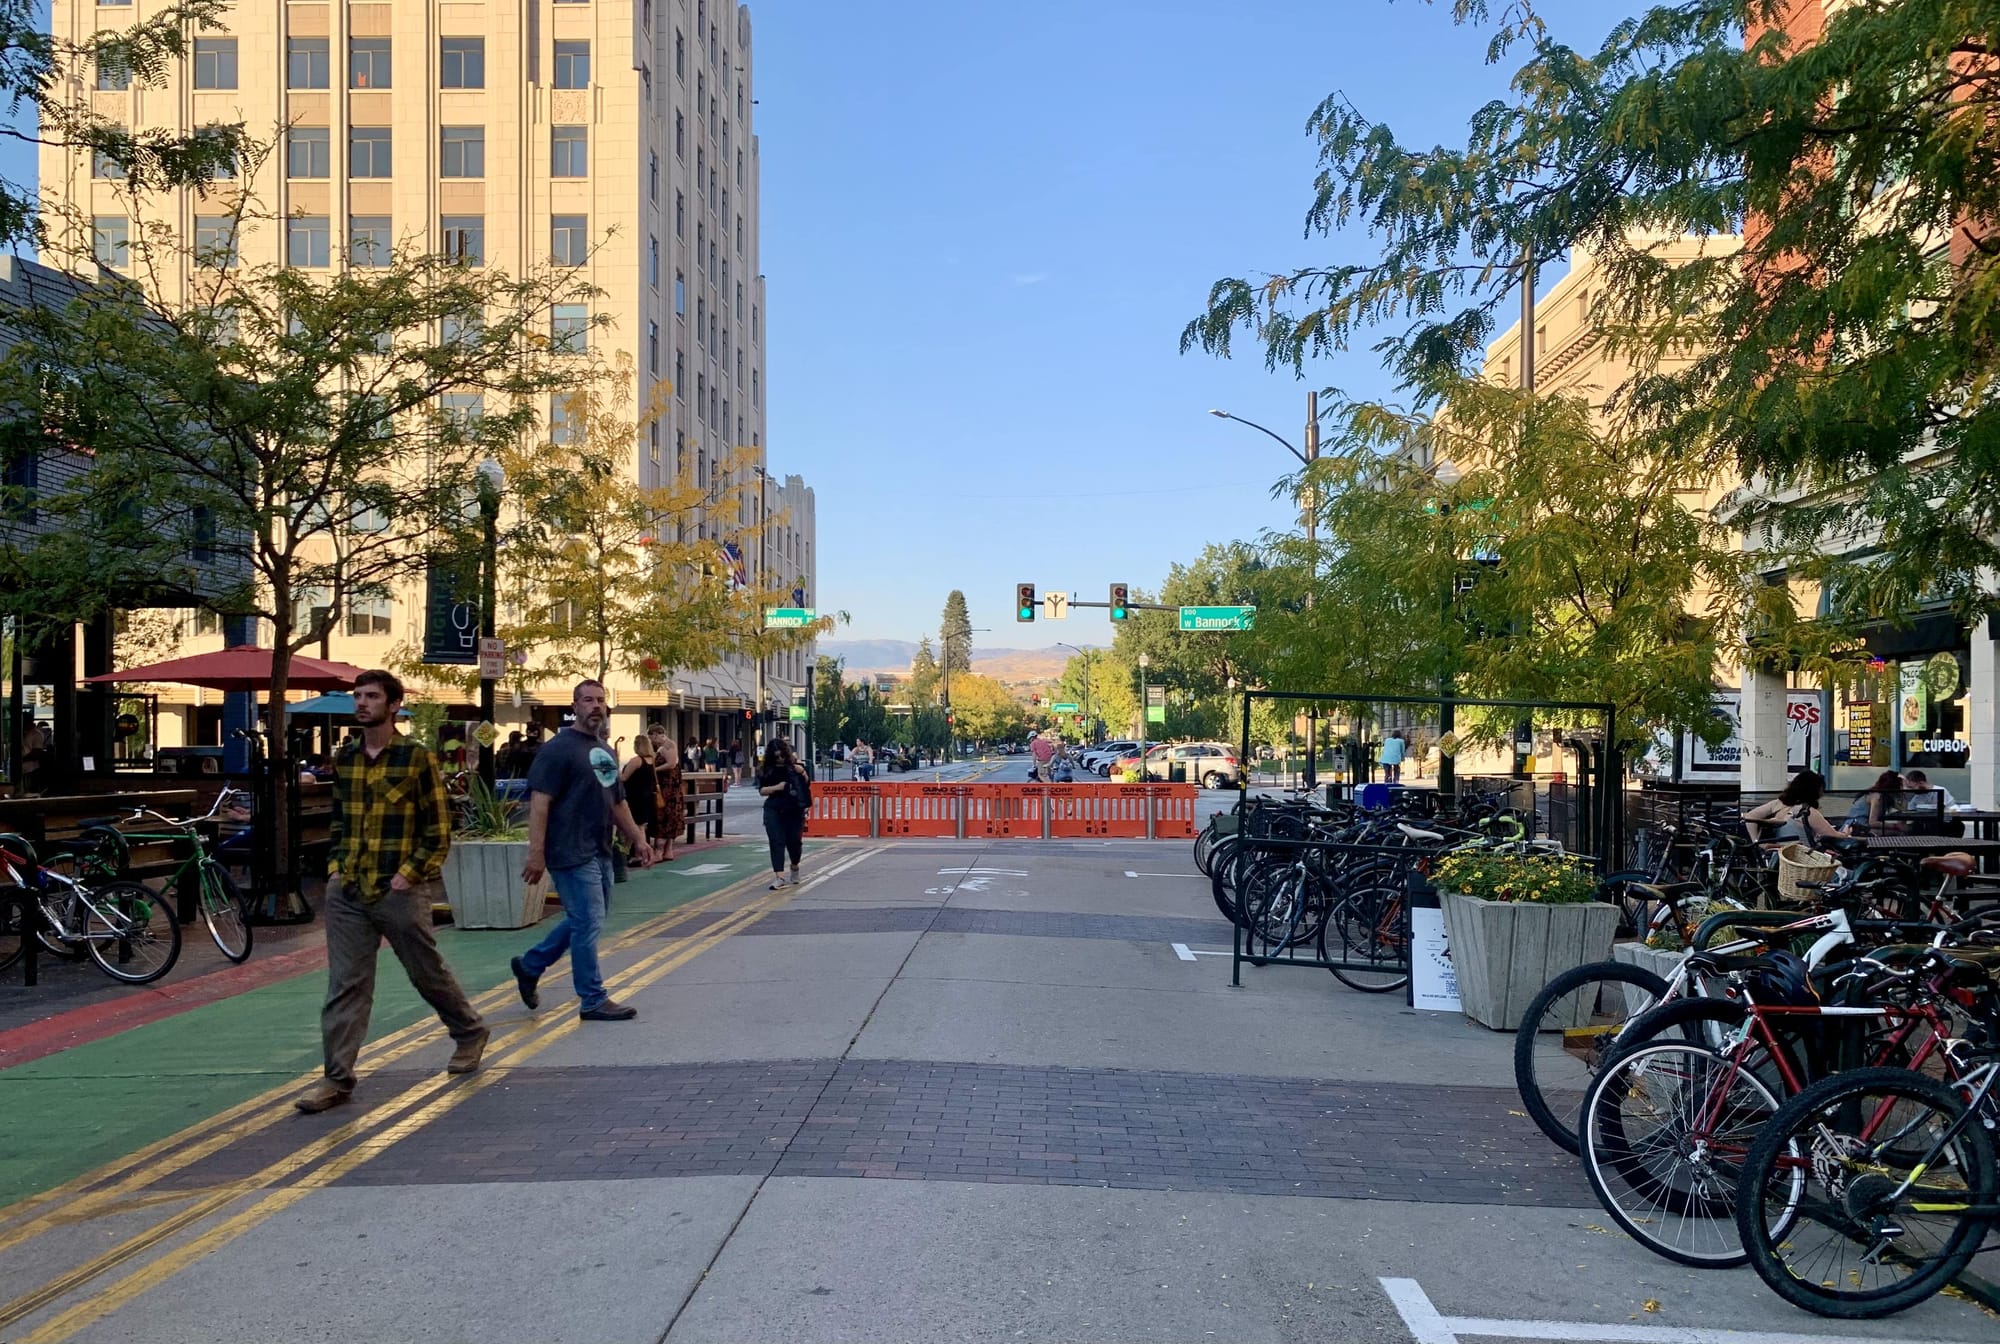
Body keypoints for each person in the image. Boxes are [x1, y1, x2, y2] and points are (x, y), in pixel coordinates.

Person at [296, 670, 487, 1114]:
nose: (361, 703)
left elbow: (439, 831)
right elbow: (340, 819)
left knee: (426, 972)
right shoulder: (347, 758)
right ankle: (336, 1078)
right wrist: (335, 869)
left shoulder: (417, 759)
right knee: (346, 984)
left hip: (399, 888)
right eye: (358, 696)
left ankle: (469, 1031)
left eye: (371, 697)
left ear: (394, 704)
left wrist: (410, 873)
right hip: (350, 889)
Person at [511, 681, 655, 1023]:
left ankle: (530, 965)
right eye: (587, 700)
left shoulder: (603, 750)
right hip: (569, 850)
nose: (595, 706)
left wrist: (638, 839)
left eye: (600, 701)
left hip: (600, 848)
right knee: (588, 921)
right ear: (574, 706)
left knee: (584, 919)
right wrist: (536, 852)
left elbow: (617, 801)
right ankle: (592, 998)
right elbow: (540, 803)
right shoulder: (557, 750)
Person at [756, 737, 811, 889]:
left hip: (794, 809)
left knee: (794, 842)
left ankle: (794, 866)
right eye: (776, 756)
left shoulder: (794, 768)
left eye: (781, 755)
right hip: (773, 808)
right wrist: (777, 787)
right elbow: (762, 790)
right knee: (776, 841)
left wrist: (803, 772)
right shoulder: (766, 769)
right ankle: (779, 876)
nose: (779, 759)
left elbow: (805, 785)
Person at [1742, 768, 1846, 848]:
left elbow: (1750, 816)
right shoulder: (1808, 812)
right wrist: (1846, 833)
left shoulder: (1777, 804)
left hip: (1778, 854)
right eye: (1821, 790)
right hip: (1803, 858)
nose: (1822, 795)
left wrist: (1757, 843)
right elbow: (1832, 835)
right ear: (1813, 791)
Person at [620, 732, 663, 862]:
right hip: (646, 797)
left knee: (631, 826)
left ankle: (633, 854)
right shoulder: (651, 760)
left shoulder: (636, 760)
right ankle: (634, 854)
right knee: (640, 826)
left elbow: (624, 777)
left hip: (634, 797)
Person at [648, 724, 685, 859]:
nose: (651, 740)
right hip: (672, 786)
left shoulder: (667, 746)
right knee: (670, 817)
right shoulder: (669, 745)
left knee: (663, 816)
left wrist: (654, 770)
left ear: (656, 734)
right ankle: (668, 850)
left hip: (667, 787)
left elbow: (671, 764)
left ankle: (658, 851)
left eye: (651, 736)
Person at [1842, 769, 1907, 833]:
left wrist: (1903, 794)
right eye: (1900, 785)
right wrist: (1895, 826)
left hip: (1864, 826)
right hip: (1857, 827)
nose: (1900, 787)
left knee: (1900, 831)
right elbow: (1872, 823)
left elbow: (1903, 810)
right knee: (1896, 832)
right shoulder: (1876, 796)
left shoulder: (1885, 796)